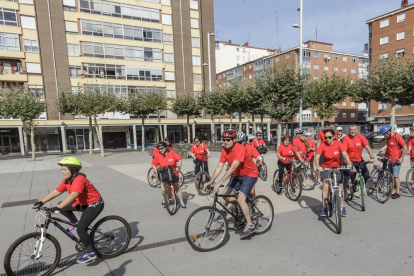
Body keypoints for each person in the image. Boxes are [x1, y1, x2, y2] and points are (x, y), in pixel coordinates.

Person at [33, 157, 104, 264]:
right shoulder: (68, 180)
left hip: (94, 204)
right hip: (82, 203)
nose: (62, 172)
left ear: (73, 169)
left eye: (64, 169)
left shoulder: (79, 179)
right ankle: (77, 226)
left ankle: (91, 253)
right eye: (62, 169)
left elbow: (74, 195)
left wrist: (59, 206)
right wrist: (42, 202)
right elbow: (56, 192)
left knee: (81, 229)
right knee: (65, 210)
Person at [205, 129, 259, 237]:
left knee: (240, 198)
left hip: (250, 174)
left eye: (228, 140)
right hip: (238, 175)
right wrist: (210, 181)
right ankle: (243, 206)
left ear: (234, 140)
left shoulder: (241, 149)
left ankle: (250, 225)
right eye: (223, 140)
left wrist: (220, 182)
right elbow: (220, 166)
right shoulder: (225, 150)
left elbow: (233, 167)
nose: (225, 142)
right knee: (226, 196)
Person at [315, 129, 352, 217]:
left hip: (337, 167)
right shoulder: (322, 145)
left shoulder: (338, 143)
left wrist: (349, 163)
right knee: (325, 187)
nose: (327, 139)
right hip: (326, 168)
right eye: (326, 137)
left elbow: (345, 154)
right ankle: (324, 208)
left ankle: (342, 207)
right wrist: (318, 166)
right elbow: (317, 157)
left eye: (329, 137)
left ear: (333, 137)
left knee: (341, 188)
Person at [151, 141, 186, 208]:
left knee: (177, 188)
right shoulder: (158, 155)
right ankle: (165, 197)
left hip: (173, 173)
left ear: (166, 147)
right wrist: (155, 169)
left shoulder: (171, 153)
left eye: (162, 148)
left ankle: (181, 202)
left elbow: (179, 159)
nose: (160, 150)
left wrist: (178, 167)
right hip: (164, 174)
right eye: (159, 149)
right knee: (163, 190)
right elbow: (153, 164)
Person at [342, 124, 375, 193]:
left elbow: (367, 147)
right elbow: (344, 151)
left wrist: (372, 157)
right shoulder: (346, 138)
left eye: (354, 130)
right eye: (351, 130)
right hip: (348, 160)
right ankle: (344, 193)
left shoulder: (361, 137)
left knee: (366, 175)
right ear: (349, 131)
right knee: (345, 177)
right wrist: (348, 163)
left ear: (357, 130)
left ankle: (357, 185)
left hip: (358, 160)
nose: (352, 131)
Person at [379, 125, 408, 199]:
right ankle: (391, 191)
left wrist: (401, 158)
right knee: (390, 176)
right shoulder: (388, 139)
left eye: (384, 134)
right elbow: (388, 149)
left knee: (395, 176)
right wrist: (384, 157)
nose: (384, 135)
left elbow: (405, 147)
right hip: (389, 160)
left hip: (396, 160)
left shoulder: (397, 137)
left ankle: (397, 192)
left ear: (388, 132)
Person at [236, 131, 262, 198]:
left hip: (249, 173)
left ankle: (251, 204)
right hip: (239, 173)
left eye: (240, 142)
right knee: (234, 194)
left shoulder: (250, 148)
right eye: (237, 142)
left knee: (251, 193)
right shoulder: (235, 148)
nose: (238, 144)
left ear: (245, 141)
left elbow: (259, 157)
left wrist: (259, 163)